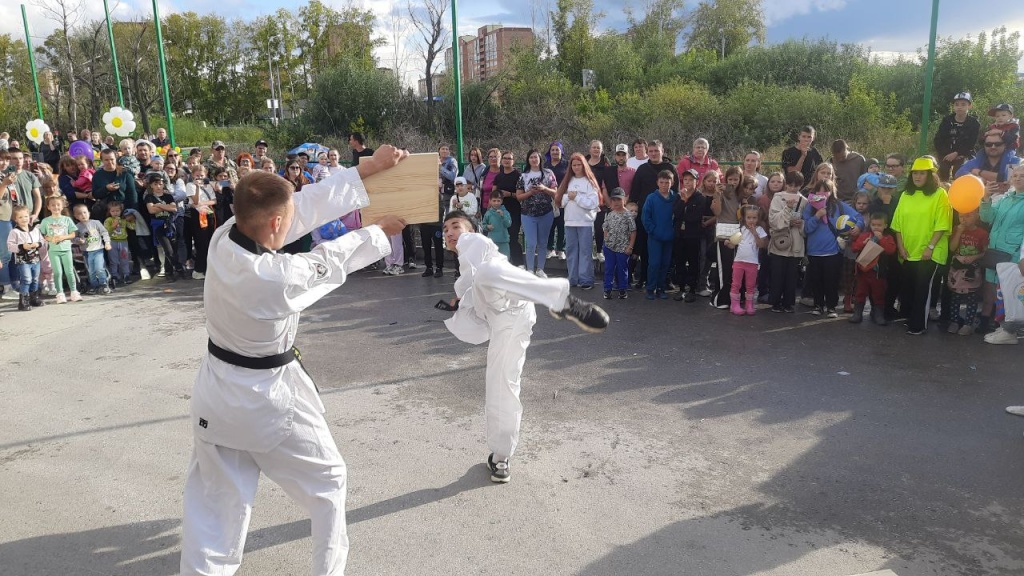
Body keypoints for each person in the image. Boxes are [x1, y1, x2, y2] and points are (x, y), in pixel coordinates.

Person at [178, 147, 408, 576]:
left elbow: (297, 209)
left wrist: (367, 169)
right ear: (275, 224)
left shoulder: (224, 235)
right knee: (328, 484)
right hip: (267, 398)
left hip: (215, 392)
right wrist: (378, 234)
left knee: (215, 507)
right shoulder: (274, 279)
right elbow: (327, 262)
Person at [438, 209, 608, 483]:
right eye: (445, 230)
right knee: (500, 385)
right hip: (504, 320)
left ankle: (561, 300)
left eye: (455, 226)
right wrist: (459, 302)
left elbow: (480, 256)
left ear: (472, 229)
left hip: (516, 310)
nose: (449, 233)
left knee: (488, 271)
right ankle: (501, 455)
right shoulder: (467, 270)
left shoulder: (478, 245)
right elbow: (473, 293)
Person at [892, 157, 952, 335]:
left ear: (930, 175)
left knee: (922, 288)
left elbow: (942, 224)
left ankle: (918, 325)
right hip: (909, 250)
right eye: (915, 173)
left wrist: (931, 247)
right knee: (909, 286)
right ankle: (910, 318)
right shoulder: (905, 194)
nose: (918, 177)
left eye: (922, 173)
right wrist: (900, 247)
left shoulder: (940, 194)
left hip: (929, 251)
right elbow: (897, 224)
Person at [803, 178, 863, 317]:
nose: (822, 193)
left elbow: (857, 216)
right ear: (815, 191)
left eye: (826, 190)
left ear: (832, 191)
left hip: (833, 251)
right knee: (816, 281)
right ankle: (818, 305)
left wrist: (858, 227)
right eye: (820, 190)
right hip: (814, 251)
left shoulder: (838, 206)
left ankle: (831, 307)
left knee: (831, 280)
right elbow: (806, 229)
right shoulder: (810, 207)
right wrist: (817, 216)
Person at [979, 164, 1024, 339]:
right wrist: (986, 198)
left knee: (1010, 292)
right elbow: (987, 217)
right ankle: (1002, 326)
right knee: (996, 290)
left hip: (1013, 255)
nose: (1018, 178)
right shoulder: (1005, 199)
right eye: (1015, 175)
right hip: (995, 252)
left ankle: (1009, 330)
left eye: (1022, 175)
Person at [629, 140, 677, 289]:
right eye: (651, 151)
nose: (654, 153)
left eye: (656, 150)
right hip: (646, 215)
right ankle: (643, 278)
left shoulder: (670, 168)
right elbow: (635, 192)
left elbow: (677, 193)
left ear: (662, 151)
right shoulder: (642, 169)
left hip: (665, 216)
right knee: (644, 249)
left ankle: (665, 281)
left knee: (667, 251)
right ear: (647, 152)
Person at [558, 153, 600, 288]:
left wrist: (576, 198)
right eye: (574, 165)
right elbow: (560, 201)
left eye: (579, 164)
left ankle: (586, 279)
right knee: (571, 251)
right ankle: (572, 279)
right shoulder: (568, 181)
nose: (576, 167)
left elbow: (593, 203)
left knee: (585, 252)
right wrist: (569, 197)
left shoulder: (590, 182)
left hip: (585, 223)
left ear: (584, 165)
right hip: (569, 222)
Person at [768, 171, 806, 313]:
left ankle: (788, 303)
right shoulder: (778, 197)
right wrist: (788, 210)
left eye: (796, 186)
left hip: (796, 243)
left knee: (792, 276)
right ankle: (775, 302)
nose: (792, 188)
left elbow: (806, 224)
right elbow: (773, 220)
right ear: (786, 184)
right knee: (777, 274)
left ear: (801, 186)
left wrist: (801, 223)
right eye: (790, 185)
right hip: (780, 241)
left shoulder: (805, 201)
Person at [849, 213, 897, 325]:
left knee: (878, 294)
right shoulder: (865, 235)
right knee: (860, 293)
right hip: (863, 272)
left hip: (878, 273)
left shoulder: (887, 237)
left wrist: (881, 240)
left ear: (885, 225)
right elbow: (854, 248)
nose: (876, 227)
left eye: (879, 225)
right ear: (870, 224)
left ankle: (878, 314)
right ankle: (857, 313)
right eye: (873, 224)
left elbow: (891, 250)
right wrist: (863, 243)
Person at [946, 209, 988, 335]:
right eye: (961, 216)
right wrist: (958, 231)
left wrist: (975, 257)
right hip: (957, 267)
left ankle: (968, 324)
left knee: (971, 297)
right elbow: (952, 248)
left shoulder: (982, 233)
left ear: (976, 216)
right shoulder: (956, 229)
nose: (964, 219)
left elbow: (985, 251)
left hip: (972, 268)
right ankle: (954, 321)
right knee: (955, 296)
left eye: (968, 216)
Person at [516, 149, 557, 276]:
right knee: (531, 243)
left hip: (546, 213)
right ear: (528, 160)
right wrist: (530, 192)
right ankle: (529, 269)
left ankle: (540, 269)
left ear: (540, 159)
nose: (534, 159)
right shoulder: (523, 176)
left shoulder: (548, 173)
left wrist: (544, 189)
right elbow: (519, 197)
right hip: (528, 214)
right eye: (531, 157)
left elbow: (556, 193)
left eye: (536, 157)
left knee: (543, 243)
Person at [709, 167, 744, 309]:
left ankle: (734, 296)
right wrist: (717, 195)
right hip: (724, 235)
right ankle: (720, 299)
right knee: (724, 267)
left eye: (736, 179)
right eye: (730, 179)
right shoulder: (721, 193)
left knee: (736, 267)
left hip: (739, 235)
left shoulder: (741, 195)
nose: (733, 182)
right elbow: (717, 212)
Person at [641, 170, 677, 300]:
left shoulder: (675, 198)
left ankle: (661, 288)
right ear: (657, 182)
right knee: (654, 263)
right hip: (655, 237)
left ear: (672, 183)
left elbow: (678, 217)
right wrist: (653, 231)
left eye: (667, 182)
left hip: (669, 237)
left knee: (665, 263)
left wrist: (674, 232)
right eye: (661, 182)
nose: (664, 185)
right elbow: (646, 218)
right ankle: (650, 288)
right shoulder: (651, 198)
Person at [143, 172, 185, 282]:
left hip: (170, 224)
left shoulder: (168, 196)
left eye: (160, 184)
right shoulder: (149, 197)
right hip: (158, 226)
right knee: (168, 250)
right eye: (155, 184)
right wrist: (166, 207)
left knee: (173, 249)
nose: (158, 186)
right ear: (151, 185)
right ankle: (179, 267)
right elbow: (151, 210)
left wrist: (159, 205)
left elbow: (174, 208)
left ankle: (169, 272)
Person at [39, 195, 81, 303]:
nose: (56, 207)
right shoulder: (45, 221)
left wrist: (63, 237)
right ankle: (60, 293)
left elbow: (73, 234)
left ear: (62, 206)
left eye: (58, 205)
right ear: (48, 207)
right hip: (53, 251)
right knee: (57, 272)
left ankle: (74, 292)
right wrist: (50, 239)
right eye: (53, 205)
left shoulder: (67, 219)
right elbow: (43, 235)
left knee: (69, 271)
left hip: (66, 249)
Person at [672, 169, 706, 302]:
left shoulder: (700, 198)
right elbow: (676, 213)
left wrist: (686, 204)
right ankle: (680, 288)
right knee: (679, 262)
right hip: (679, 235)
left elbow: (694, 217)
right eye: (685, 179)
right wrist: (682, 201)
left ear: (696, 182)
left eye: (691, 180)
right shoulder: (678, 196)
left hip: (693, 235)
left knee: (693, 262)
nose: (688, 182)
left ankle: (692, 289)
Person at [728, 205, 768, 315]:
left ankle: (749, 304)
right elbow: (732, 245)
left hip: (752, 263)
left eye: (754, 218)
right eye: (749, 217)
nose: (751, 220)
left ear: (758, 218)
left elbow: (761, 245)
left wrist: (755, 233)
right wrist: (728, 243)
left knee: (750, 285)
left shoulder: (760, 230)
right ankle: (734, 305)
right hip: (739, 261)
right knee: (736, 284)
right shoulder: (740, 229)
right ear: (744, 218)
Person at [934, 92, 981, 181]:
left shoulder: (974, 123)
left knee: (960, 171)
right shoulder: (947, 121)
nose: (959, 107)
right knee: (942, 171)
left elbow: (971, 143)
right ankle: (943, 190)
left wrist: (958, 153)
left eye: (963, 104)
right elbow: (938, 140)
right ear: (953, 106)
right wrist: (948, 154)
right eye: (956, 104)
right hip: (946, 154)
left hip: (965, 154)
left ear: (970, 106)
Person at [6, 205, 44, 310]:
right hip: (23, 261)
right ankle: (23, 301)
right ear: (15, 219)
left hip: (35, 259)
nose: (24, 219)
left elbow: (42, 241)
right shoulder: (15, 232)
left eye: (26, 216)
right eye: (20, 217)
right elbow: (10, 246)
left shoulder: (35, 230)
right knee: (26, 279)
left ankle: (34, 298)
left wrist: (38, 244)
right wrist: (22, 246)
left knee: (35, 279)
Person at [602, 187, 635, 299]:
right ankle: (607, 289)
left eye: (619, 200)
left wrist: (630, 246)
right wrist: (606, 242)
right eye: (614, 200)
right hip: (609, 247)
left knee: (622, 268)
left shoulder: (628, 215)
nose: (616, 202)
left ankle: (622, 289)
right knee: (609, 268)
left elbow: (633, 231)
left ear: (624, 200)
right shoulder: (610, 214)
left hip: (623, 247)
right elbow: (605, 228)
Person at [72, 203, 111, 294]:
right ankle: (95, 286)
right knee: (91, 270)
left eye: (85, 212)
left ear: (89, 213)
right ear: (76, 216)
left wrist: (107, 242)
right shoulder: (77, 227)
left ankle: (103, 284)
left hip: (98, 249)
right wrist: (78, 240)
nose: (83, 215)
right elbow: (73, 238)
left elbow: (104, 232)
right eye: (80, 214)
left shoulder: (96, 223)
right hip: (86, 252)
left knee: (99, 268)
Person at [955, 133, 1021, 187]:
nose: (993, 147)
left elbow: (1009, 179)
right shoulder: (977, 160)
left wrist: (979, 172)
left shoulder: (1015, 161)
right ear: (984, 146)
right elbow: (959, 173)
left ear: (1005, 145)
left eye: (997, 144)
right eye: (988, 144)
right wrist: (979, 179)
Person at [187, 165, 218, 280]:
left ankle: (207, 268)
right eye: (197, 175)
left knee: (209, 241)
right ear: (192, 175)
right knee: (201, 242)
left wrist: (203, 203)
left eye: (202, 175)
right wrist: (197, 186)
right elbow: (194, 201)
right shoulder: (190, 185)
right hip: (197, 215)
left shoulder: (208, 185)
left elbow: (214, 201)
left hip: (208, 213)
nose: (200, 177)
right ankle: (198, 269)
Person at [494, 150, 523, 267]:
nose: (506, 160)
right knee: (501, 238)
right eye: (504, 158)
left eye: (509, 159)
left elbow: (521, 195)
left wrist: (509, 194)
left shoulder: (518, 176)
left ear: (513, 161)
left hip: (514, 211)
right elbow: (493, 194)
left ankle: (519, 264)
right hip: (500, 211)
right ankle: (504, 265)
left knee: (513, 238)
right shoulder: (498, 176)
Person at [544, 141, 569, 260]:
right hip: (549, 199)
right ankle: (550, 248)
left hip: (563, 199)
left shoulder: (566, 164)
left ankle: (561, 249)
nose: (554, 152)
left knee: (561, 225)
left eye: (557, 150)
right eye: (552, 150)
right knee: (549, 225)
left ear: (561, 151)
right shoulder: (545, 165)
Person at [9, 148, 43, 224]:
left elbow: (38, 198)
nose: (18, 161)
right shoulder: (4, 176)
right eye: (14, 158)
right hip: (10, 219)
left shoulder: (30, 176)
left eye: (21, 158)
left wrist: (35, 214)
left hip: (29, 217)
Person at [104, 201, 133, 285]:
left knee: (124, 259)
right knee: (113, 260)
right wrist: (113, 226)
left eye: (117, 211)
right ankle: (114, 275)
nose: (115, 213)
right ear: (109, 212)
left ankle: (126, 275)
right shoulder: (108, 220)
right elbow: (106, 231)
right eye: (113, 211)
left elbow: (132, 227)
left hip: (123, 241)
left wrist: (132, 219)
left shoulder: (123, 220)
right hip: (112, 241)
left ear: (121, 211)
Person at [482, 191, 512, 258]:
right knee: (493, 261)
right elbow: (483, 225)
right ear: (490, 201)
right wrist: (487, 226)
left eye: (498, 201)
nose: (496, 203)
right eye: (494, 201)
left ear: (501, 201)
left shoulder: (505, 212)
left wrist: (503, 216)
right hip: (492, 241)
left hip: (503, 241)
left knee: (505, 260)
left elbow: (508, 224)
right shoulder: (488, 213)